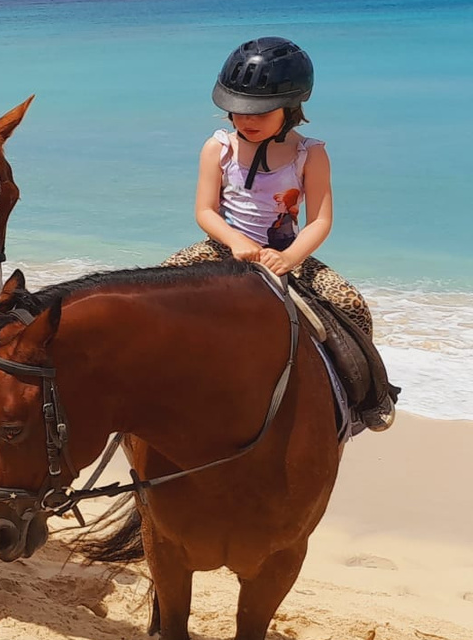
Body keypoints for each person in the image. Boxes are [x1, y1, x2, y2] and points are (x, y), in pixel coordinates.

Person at [165, 36, 396, 429]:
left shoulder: (310, 154)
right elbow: (205, 211)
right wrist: (235, 241)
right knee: (160, 286)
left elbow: (320, 220)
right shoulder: (217, 149)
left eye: (260, 111)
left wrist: (289, 258)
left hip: (286, 253)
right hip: (222, 247)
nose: (246, 120)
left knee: (352, 304)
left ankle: (367, 398)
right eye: (238, 110)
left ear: (290, 108)